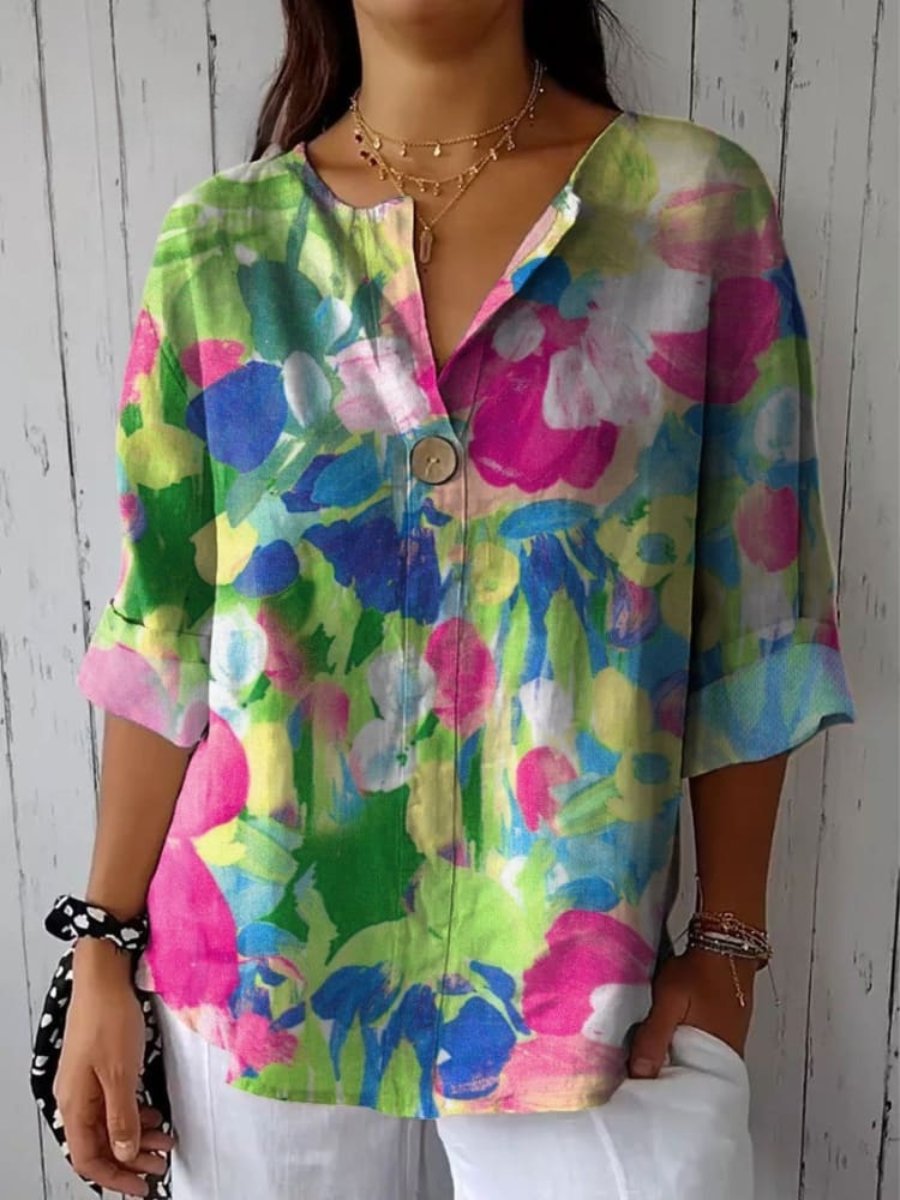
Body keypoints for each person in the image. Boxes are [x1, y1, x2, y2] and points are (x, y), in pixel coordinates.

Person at [52, 1, 857, 1197]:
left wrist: (729, 946)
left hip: (592, 991)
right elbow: (163, 633)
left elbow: (758, 620)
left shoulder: (694, 215)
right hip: (260, 973)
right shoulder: (220, 248)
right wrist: (104, 954)